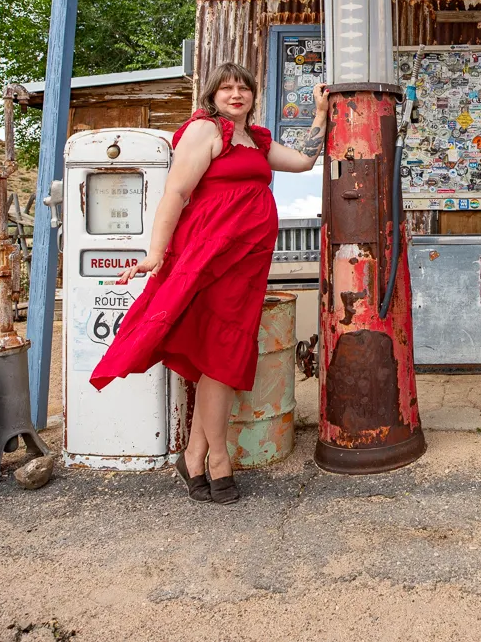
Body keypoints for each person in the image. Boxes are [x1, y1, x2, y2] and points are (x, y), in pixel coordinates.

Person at [90, 61, 327, 504]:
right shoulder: (206, 132)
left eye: (244, 87)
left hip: (246, 265)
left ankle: (193, 454)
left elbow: (304, 161)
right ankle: (218, 457)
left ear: (254, 95)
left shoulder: (255, 141)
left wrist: (319, 113)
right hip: (209, 258)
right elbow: (176, 194)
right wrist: (155, 255)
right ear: (213, 95)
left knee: (222, 356)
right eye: (227, 88)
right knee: (220, 357)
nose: (236, 94)